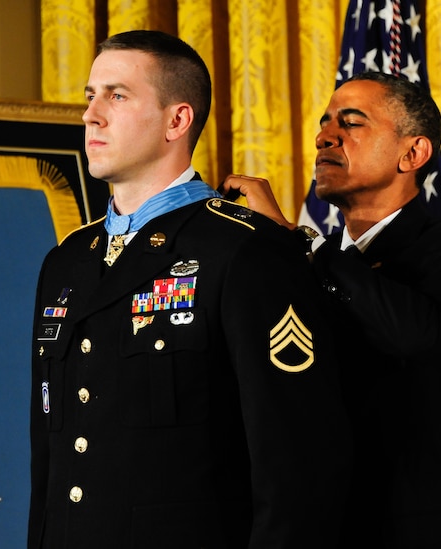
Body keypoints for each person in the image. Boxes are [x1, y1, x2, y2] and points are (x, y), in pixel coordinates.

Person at [28, 30, 351, 549]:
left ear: (176, 120)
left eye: (117, 95)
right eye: (91, 96)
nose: (91, 115)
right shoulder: (66, 261)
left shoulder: (243, 250)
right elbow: (50, 456)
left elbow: (297, 467)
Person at [223, 71, 441, 548]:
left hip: (418, 531)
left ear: (412, 154)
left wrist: (297, 242)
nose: (324, 136)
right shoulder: (305, 261)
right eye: (326, 121)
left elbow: (417, 335)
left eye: (351, 123)